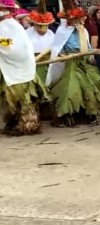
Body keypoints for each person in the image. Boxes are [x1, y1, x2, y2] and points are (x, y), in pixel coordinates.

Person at [46, 0, 100, 127]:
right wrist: (62, 55)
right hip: (70, 63)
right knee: (69, 89)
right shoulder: (61, 31)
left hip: (84, 62)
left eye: (80, 19)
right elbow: (58, 47)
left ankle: (88, 115)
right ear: (69, 20)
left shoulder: (83, 30)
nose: (79, 22)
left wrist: (94, 53)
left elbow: (88, 46)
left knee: (90, 87)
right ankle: (66, 115)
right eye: (76, 19)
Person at [0, 0, 49, 136]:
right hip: (14, 67)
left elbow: (11, 44)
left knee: (18, 98)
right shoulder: (12, 25)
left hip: (15, 68)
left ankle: (27, 124)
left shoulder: (8, 25)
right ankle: (17, 123)